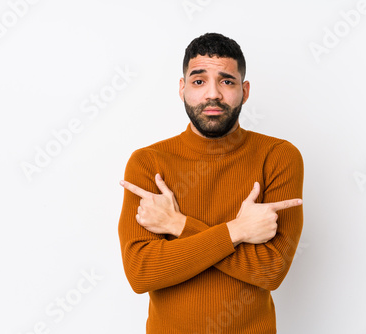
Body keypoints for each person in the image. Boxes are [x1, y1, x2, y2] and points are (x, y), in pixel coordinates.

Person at [118, 32, 304, 333]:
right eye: (199, 81)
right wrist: (239, 230)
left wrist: (178, 225)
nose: (213, 94)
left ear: (244, 91)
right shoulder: (148, 162)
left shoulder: (278, 156)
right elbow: (141, 273)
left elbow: (271, 270)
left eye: (227, 81)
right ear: (182, 88)